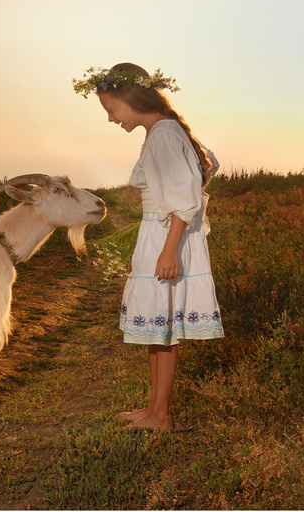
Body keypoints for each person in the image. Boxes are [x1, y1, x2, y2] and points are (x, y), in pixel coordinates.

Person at [73, 63, 224, 431]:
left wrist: (170, 248)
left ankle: (161, 415)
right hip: (158, 235)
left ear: (129, 97)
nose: (110, 119)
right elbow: (207, 165)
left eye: (110, 109)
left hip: (165, 238)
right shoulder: (163, 131)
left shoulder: (164, 133)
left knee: (166, 330)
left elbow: (185, 194)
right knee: (159, 327)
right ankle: (154, 409)